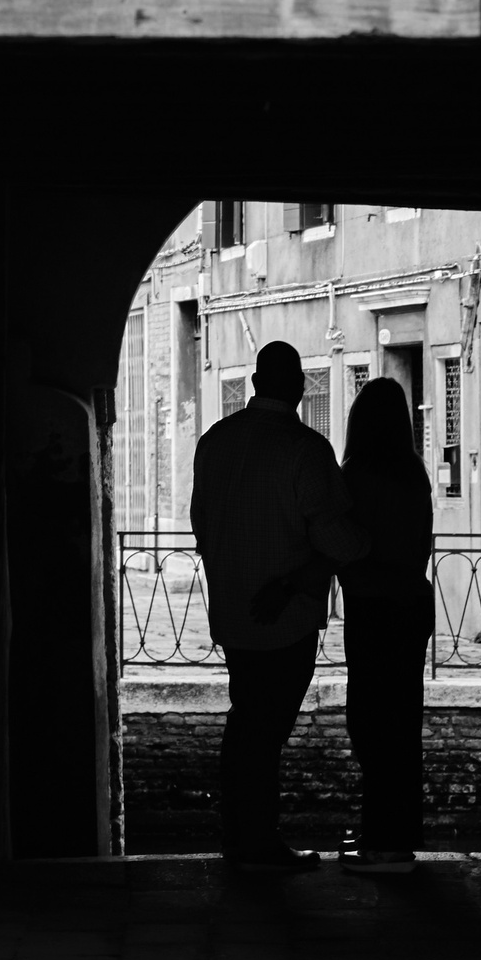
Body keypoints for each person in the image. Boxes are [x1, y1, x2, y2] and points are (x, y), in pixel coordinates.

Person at [189, 339, 368, 873]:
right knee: (265, 731)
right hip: (286, 617)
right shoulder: (305, 449)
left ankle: (241, 837)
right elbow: (340, 541)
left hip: (232, 614)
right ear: (298, 388)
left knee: (247, 721)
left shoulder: (213, 442)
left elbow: (201, 525)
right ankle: (257, 843)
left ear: (254, 384)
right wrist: (365, 540)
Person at [334, 375, 436, 874]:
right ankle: (392, 835)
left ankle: (383, 844)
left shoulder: (352, 476)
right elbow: (422, 545)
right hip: (411, 606)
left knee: (370, 725)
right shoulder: (415, 474)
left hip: (372, 608)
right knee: (401, 724)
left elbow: (342, 545)